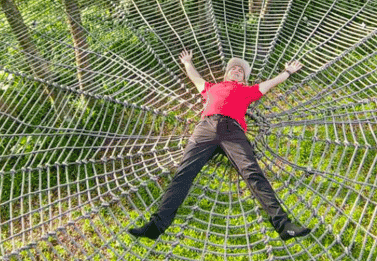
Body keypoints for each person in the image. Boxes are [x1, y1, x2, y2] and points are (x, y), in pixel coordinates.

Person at [129, 50, 311, 241]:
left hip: (233, 130)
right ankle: (155, 227)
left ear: (244, 79)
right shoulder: (212, 87)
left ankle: (284, 225)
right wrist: (187, 63)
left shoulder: (248, 91)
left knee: (253, 172)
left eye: (241, 70)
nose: (236, 70)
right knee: (183, 173)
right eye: (233, 68)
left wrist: (288, 72)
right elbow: (196, 78)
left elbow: (270, 83)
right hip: (205, 128)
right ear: (226, 73)